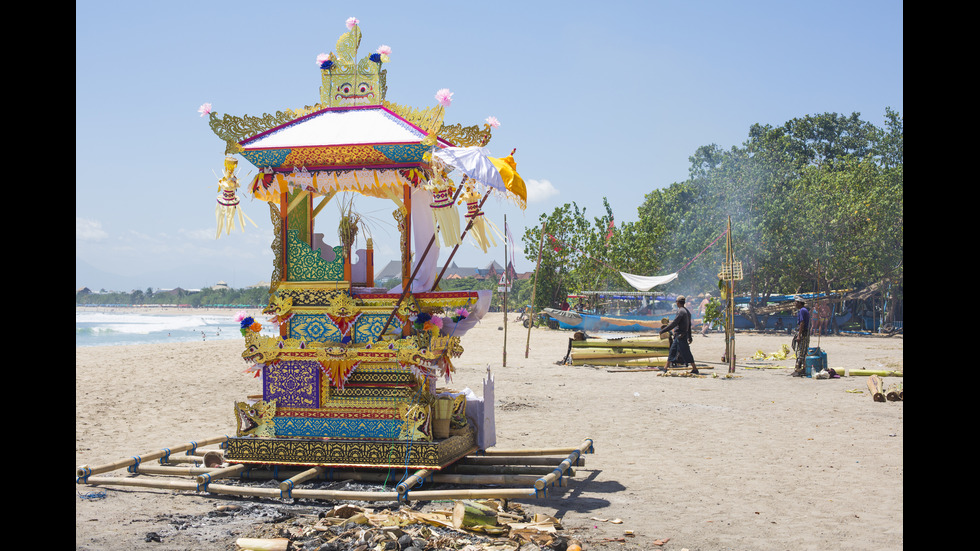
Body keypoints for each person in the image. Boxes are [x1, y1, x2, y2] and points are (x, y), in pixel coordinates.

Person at [659, 296, 699, 374]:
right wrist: (689, 336)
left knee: (686, 352)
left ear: (678, 302)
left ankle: (695, 368)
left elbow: (674, 323)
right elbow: (689, 325)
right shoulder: (687, 311)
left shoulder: (680, 311)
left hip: (681, 336)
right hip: (681, 335)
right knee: (672, 351)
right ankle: (665, 368)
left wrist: (663, 330)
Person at [791, 297, 811, 377]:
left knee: (800, 350)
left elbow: (802, 323)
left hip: (803, 333)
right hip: (803, 332)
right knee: (798, 348)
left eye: (796, 302)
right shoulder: (803, 310)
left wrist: (799, 335)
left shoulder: (802, 310)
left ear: (799, 303)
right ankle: (801, 368)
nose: (795, 304)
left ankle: (799, 369)